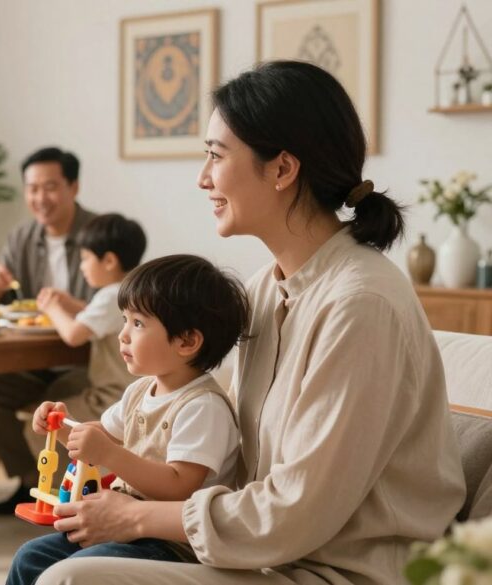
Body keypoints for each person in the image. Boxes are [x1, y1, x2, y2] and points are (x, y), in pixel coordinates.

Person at [35, 61, 466, 585]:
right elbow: (210, 431)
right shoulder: (267, 288)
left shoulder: (361, 305)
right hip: (260, 554)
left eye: (216, 155)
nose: (203, 178)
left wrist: (136, 518)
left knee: (67, 579)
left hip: (340, 572)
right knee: (41, 559)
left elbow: (295, 511)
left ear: (282, 169)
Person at [8, 254, 248, 585]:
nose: (123, 335)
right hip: (122, 525)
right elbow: (100, 434)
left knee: (79, 568)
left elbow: (179, 485)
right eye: (124, 320)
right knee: (30, 557)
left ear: (187, 341)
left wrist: (110, 455)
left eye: (138, 324)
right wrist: (61, 426)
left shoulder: (203, 407)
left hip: (172, 544)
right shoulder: (140, 391)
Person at [0, 146, 99, 514]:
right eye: (32, 189)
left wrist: (66, 305)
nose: (40, 198)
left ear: (73, 187)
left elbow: (114, 302)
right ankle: (31, 479)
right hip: (33, 360)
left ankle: (59, 488)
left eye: (50, 187)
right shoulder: (22, 237)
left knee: (55, 399)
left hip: (85, 362)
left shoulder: (98, 233)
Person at [19, 213, 145, 484]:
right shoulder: (132, 289)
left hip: (111, 396)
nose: (82, 266)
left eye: (86, 258)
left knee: (38, 427)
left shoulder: (111, 294)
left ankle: (67, 488)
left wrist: (52, 307)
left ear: (109, 261)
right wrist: (71, 304)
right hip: (127, 393)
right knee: (57, 394)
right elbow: (98, 316)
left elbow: (74, 335)